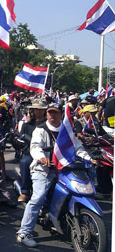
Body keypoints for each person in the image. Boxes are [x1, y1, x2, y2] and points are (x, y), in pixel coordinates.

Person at [16, 103, 98, 248]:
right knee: (39, 196)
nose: (52, 116)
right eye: (50, 113)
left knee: (78, 189)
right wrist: (41, 157)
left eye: (55, 113)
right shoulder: (40, 130)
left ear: (61, 114)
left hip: (63, 170)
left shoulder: (66, 131)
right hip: (43, 170)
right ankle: (24, 232)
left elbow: (77, 147)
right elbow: (35, 147)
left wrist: (88, 158)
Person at [17, 99, 47, 202]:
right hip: (30, 152)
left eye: (40, 110)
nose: (38, 112)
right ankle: (25, 191)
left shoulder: (48, 124)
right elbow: (20, 137)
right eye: (36, 110)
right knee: (25, 163)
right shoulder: (27, 124)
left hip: (47, 152)